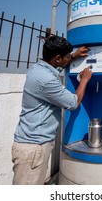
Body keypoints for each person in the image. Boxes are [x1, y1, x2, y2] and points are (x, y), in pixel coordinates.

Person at [11, 35, 92, 185]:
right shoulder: (47, 80)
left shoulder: (38, 68)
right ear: (58, 58)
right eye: (67, 57)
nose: (69, 59)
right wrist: (85, 79)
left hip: (31, 146)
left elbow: (58, 66)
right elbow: (74, 102)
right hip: (33, 150)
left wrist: (73, 56)